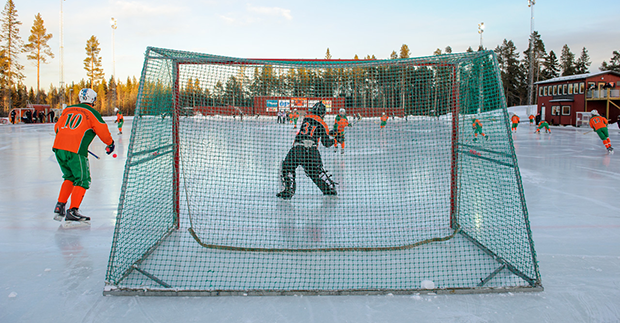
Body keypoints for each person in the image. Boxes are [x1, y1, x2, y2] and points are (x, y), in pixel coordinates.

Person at [52, 88, 115, 223]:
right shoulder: (91, 112)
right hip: (75, 150)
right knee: (82, 180)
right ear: (93, 100)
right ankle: (73, 211)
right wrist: (110, 143)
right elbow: (102, 130)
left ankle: (59, 207)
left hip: (59, 148)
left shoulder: (67, 110)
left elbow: (57, 128)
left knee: (69, 177)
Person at [277, 102, 337, 199]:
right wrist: (335, 139)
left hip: (297, 149)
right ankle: (330, 189)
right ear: (322, 113)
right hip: (312, 151)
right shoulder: (323, 124)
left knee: (287, 167)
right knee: (316, 173)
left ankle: (288, 190)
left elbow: (310, 129)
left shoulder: (306, 118)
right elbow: (326, 143)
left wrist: (328, 133)